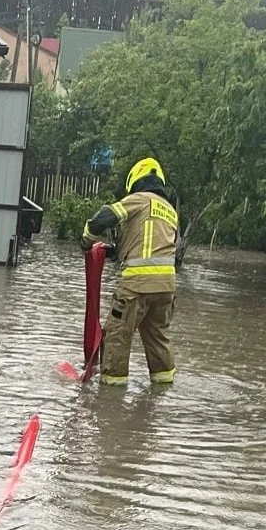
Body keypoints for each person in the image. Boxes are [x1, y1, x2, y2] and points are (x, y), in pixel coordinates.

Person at [81, 158, 178, 386]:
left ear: (135, 180)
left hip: (137, 285)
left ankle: (111, 394)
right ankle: (163, 388)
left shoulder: (139, 199)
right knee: (158, 338)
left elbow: (103, 217)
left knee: (117, 335)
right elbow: (149, 245)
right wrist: (114, 252)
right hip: (166, 288)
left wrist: (86, 239)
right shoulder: (170, 210)